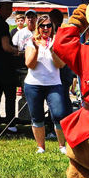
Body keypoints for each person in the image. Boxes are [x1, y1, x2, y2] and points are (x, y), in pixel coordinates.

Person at [24, 14, 68, 154]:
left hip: (53, 84)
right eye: (42, 25)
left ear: (52, 28)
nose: (45, 28)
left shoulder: (57, 41)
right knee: (37, 116)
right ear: (38, 27)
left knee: (59, 114)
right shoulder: (31, 42)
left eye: (48, 25)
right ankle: (41, 147)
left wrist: (52, 51)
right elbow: (29, 64)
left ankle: (62, 146)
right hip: (33, 84)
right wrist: (37, 49)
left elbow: (61, 64)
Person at [0, 2, 20, 133]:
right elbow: (6, 46)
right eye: (6, 8)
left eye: (10, 8)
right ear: (0, 8)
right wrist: (16, 50)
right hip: (4, 66)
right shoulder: (2, 24)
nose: (9, 11)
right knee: (10, 95)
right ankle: (11, 124)